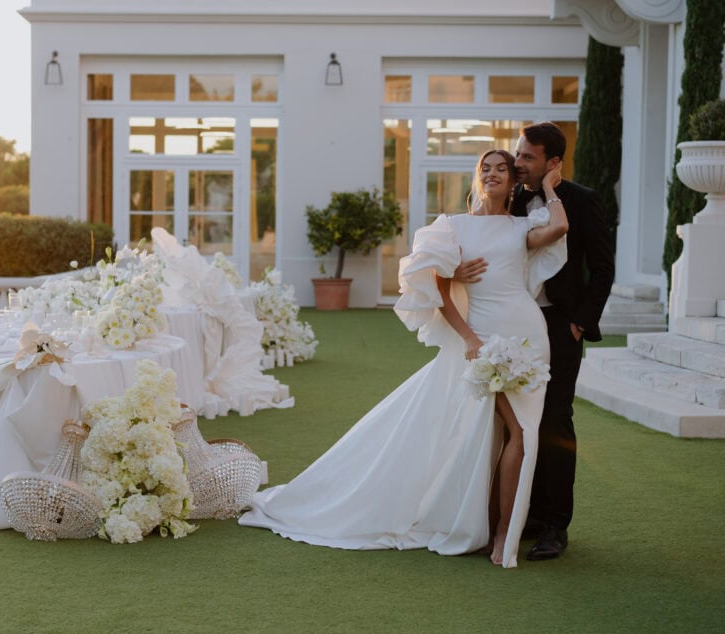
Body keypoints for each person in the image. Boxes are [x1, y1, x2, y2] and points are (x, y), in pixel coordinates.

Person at [239, 149, 568, 568]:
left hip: (526, 335)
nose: (493, 174)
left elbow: (560, 226)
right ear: (476, 177)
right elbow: (438, 292)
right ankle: (497, 531)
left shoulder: (525, 225)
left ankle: (499, 530)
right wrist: (467, 331)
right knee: (509, 432)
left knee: (513, 433)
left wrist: (546, 188)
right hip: (483, 339)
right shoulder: (453, 227)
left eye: (502, 169)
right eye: (485, 169)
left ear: (513, 180)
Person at [456, 123, 615, 561]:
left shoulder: (581, 201)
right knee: (514, 424)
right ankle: (521, 513)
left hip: (559, 327)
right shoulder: (514, 198)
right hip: (511, 323)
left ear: (553, 163)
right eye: (518, 155)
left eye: (528, 157)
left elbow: (603, 268)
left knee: (553, 421)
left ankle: (554, 526)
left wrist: (580, 323)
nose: (518, 163)